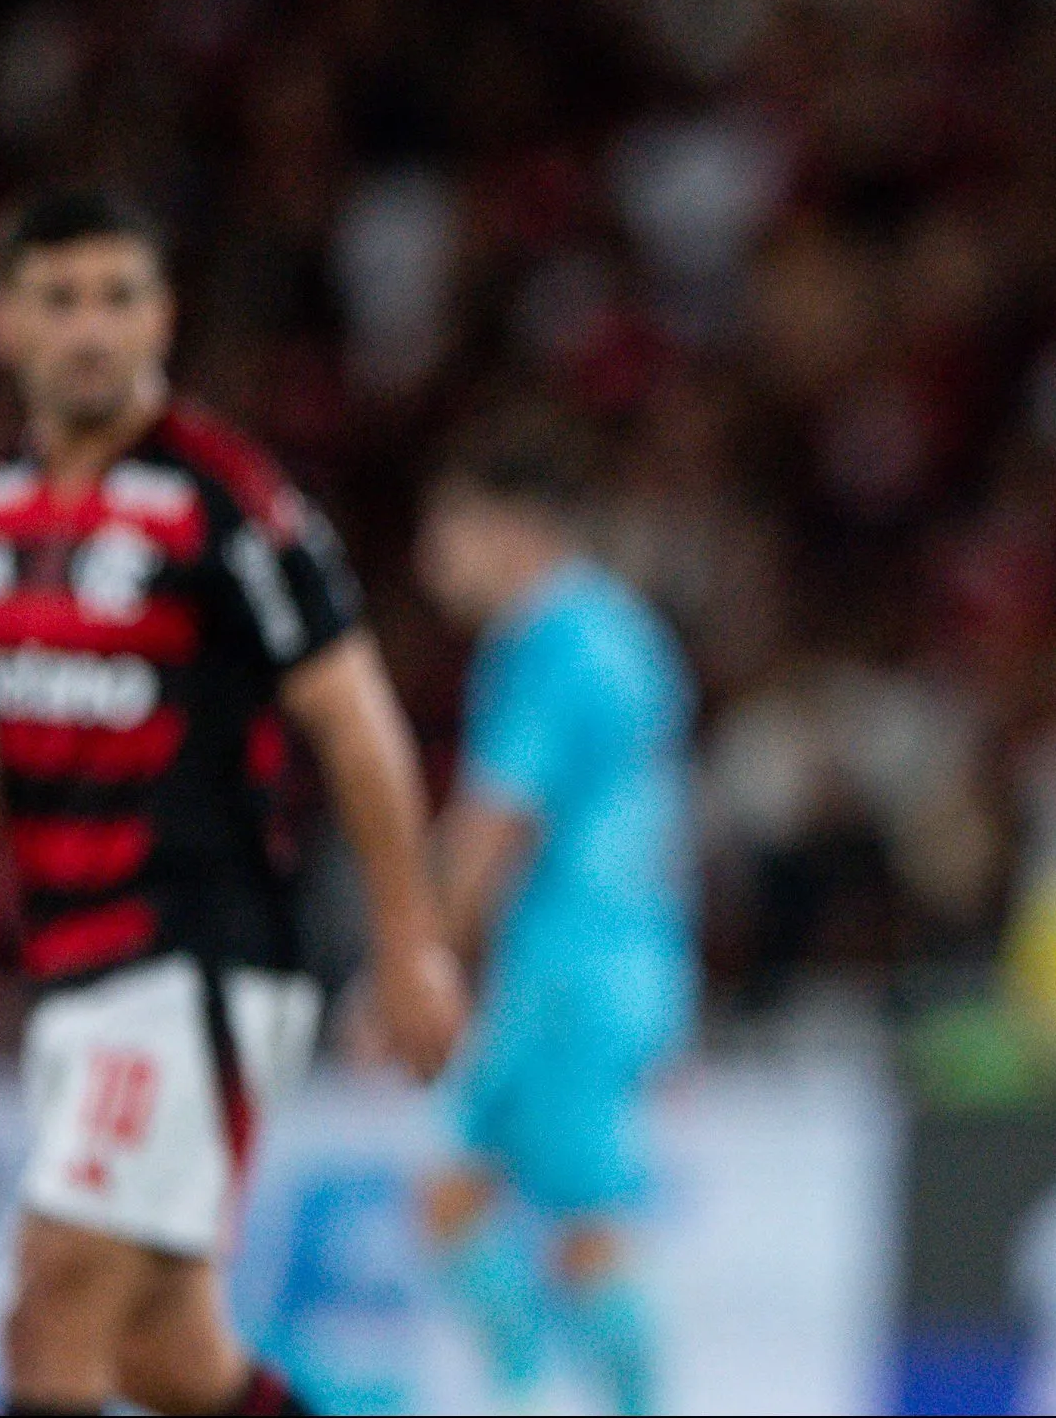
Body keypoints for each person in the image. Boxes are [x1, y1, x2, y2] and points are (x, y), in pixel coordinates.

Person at [0, 191, 467, 1418]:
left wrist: (411, 942)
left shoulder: (227, 500)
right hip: (70, 973)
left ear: (162, 318)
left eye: (119, 297)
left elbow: (356, 717)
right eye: (59, 300)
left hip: (196, 960)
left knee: (49, 1303)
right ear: (3, 324)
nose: (91, 328)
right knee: (166, 1358)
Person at [411, 410, 697, 1415]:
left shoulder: (551, 640)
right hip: (612, 956)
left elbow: (494, 822)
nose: (431, 557)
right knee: (451, 1200)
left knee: (584, 1229)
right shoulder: (621, 631)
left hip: (573, 968)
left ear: (511, 525)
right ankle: (526, 1394)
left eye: (448, 528)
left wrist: (415, 960)